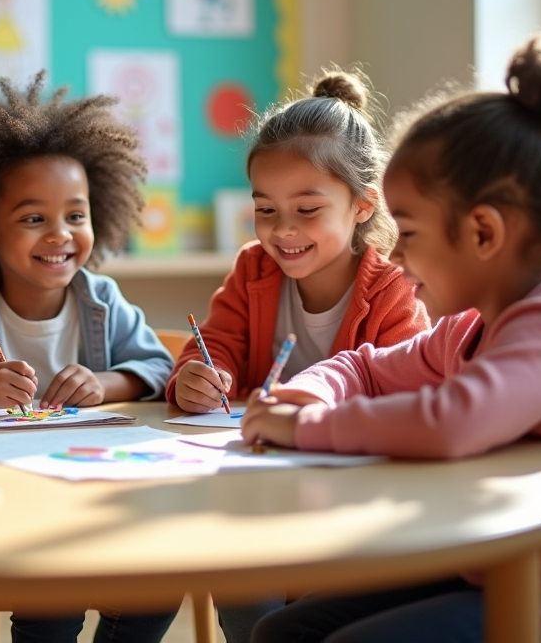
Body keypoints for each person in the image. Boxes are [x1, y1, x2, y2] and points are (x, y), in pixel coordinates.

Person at [244, 33, 541, 643]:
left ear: (483, 233)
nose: (395, 257)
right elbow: (365, 367)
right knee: (280, 633)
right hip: (499, 564)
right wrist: (309, 392)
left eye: (409, 233)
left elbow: (451, 422)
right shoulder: (468, 328)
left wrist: (305, 428)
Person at [0, 72, 178, 643]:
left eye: (75, 216)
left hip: (97, 494)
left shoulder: (101, 299)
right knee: (53, 594)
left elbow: (158, 368)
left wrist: (106, 383)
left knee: (157, 587)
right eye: (34, 219)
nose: (59, 235)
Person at [166, 70, 430, 641]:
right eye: (265, 210)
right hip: (257, 487)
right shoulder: (252, 268)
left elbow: (407, 396)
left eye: (307, 210)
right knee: (239, 569)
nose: (282, 231)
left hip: (352, 500)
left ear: (363, 206)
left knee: (313, 608)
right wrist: (198, 374)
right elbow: (217, 343)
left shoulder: (393, 291)